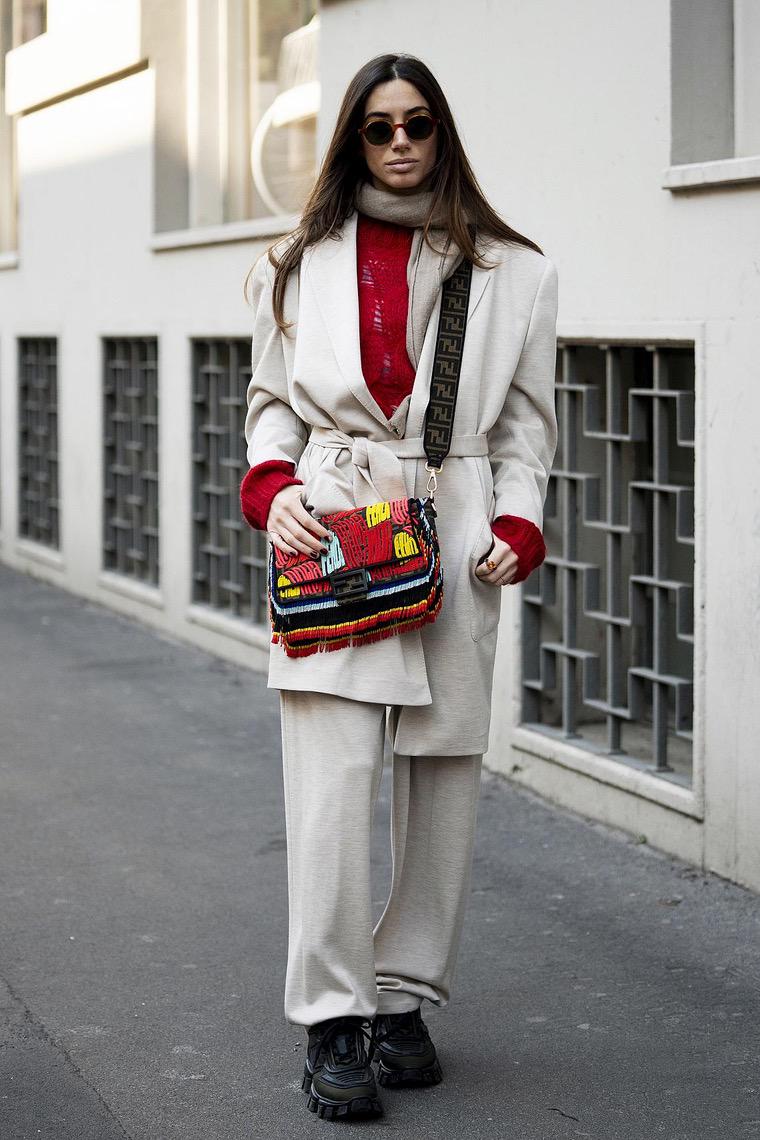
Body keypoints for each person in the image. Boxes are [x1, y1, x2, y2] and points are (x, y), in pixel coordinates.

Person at [240, 52, 558, 1122]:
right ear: (352, 141)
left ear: (443, 132)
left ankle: (404, 998)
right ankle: (333, 1018)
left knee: (442, 784)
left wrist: (519, 517)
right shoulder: (294, 260)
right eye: (377, 128)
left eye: (417, 122)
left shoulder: (515, 270)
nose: (400, 142)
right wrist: (271, 484)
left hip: (458, 536)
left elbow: (524, 427)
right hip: (332, 528)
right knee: (329, 787)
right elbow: (269, 404)